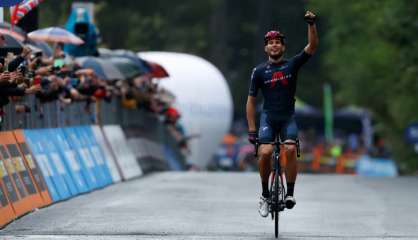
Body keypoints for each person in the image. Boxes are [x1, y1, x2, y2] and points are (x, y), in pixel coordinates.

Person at [246, 11, 318, 217]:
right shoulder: (258, 71)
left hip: (288, 116)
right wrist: (252, 129)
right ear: (266, 48)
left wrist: (311, 25)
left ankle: (291, 193)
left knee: (289, 148)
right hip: (268, 117)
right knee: (266, 152)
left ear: (283, 47)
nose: (275, 45)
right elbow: (251, 101)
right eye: (271, 42)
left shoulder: (291, 64)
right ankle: (265, 194)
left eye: (278, 42)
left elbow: (312, 47)